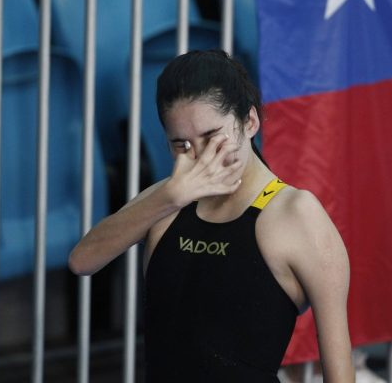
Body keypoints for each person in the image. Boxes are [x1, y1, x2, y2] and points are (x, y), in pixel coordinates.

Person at [69, 50, 354, 382]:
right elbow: (82, 260)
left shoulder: (296, 214)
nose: (201, 157)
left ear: (249, 121)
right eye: (182, 146)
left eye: (211, 137)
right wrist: (170, 197)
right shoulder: (167, 202)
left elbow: (338, 363)